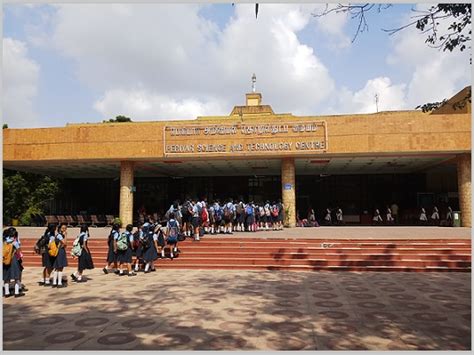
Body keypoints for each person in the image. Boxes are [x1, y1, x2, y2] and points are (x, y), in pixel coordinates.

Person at [3, 228, 25, 298]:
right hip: (14, 260)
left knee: (6, 277)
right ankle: (16, 292)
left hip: (5, 260)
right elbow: (19, 252)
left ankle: (6, 292)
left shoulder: (4, 241)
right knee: (16, 277)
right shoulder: (14, 242)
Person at [51, 223, 68, 288]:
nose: (64, 229)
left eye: (65, 228)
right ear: (60, 229)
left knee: (57, 267)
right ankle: (59, 282)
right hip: (60, 251)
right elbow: (65, 243)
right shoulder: (60, 236)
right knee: (60, 267)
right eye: (63, 228)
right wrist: (66, 235)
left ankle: (55, 282)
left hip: (58, 251)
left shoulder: (57, 235)